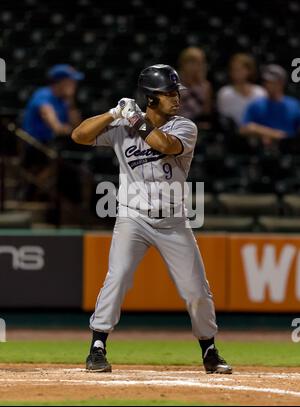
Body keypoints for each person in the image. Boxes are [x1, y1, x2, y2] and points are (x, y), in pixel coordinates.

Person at [72, 64, 232, 375]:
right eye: (168, 94)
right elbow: (78, 135)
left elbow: (163, 145)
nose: (176, 98)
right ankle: (97, 346)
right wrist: (112, 113)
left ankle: (209, 349)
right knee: (117, 278)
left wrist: (136, 120)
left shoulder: (184, 127)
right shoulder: (122, 128)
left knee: (196, 289)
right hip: (133, 219)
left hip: (173, 222)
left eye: (176, 92)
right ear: (150, 98)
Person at [22, 64, 84, 143]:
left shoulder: (64, 100)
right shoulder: (43, 95)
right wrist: (76, 132)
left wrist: (70, 99)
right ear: (62, 82)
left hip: (49, 145)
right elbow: (57, 128)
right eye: (72, 81)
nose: (75, 84)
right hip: (33, 146)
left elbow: (77, 125)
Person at [240, 64, 300, 144]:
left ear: (281, 83)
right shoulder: (256, 105)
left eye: (272, 82)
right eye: (266, 82)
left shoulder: (294, 105)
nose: (268, 85)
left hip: (289, 149)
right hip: (262, 149)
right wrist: (271, 133)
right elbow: (244, 129)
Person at [217, 53, 266, 126]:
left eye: (240, 69)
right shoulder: (225, 93)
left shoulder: (260, 92)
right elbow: (224, 119)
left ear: (249, 71)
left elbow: (263, 116)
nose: (237, 73)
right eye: (234, 69)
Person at [178, 47, 213, 127]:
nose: (196, 67)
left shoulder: (206, 86)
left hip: (198, 126)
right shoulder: (174, 85)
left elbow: (206, 114)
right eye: (192, 62)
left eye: (200, 63)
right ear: (183, 64)